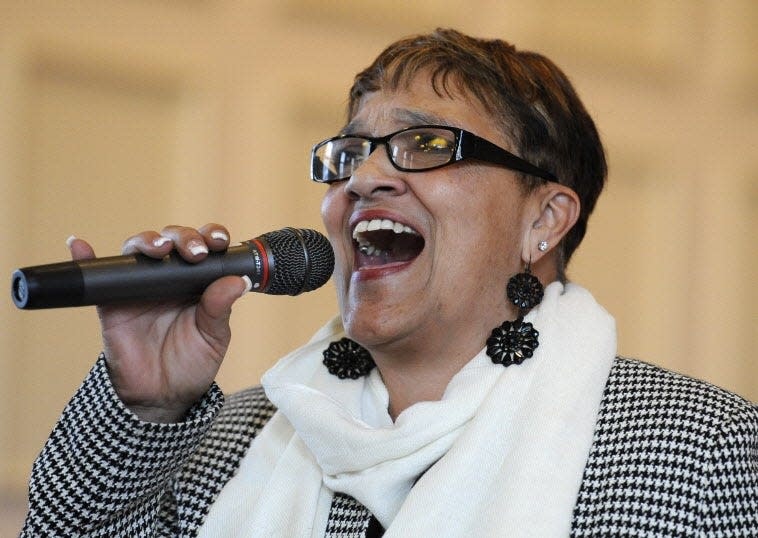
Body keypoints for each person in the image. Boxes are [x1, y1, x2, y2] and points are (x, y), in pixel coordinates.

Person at [20, 28, 757, 537]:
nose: (365, 179)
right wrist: (149, 406)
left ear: (547, 216)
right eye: (349, 154)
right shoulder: (235, 440)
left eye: (425, 144)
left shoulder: (700, 455)